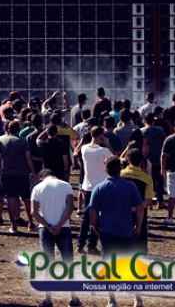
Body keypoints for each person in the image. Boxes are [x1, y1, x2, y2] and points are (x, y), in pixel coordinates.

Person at [88, 157, 144, 307]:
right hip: (126, 231)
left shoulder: (99, 188)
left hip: (107, 232)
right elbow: (140, 208)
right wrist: (138, 226)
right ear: (120, 169)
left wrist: (95, 226)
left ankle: (112, 299)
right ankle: (137, 298)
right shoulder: (130, 186)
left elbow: (92, 211)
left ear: (106, 169)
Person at [30, 168, 81, 307]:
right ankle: (74, 298)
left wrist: (48, 225)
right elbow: (70, 207)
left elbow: (34, 212)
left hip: (45, 229)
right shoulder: (66, 185)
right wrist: (59, 224)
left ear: (42, 177)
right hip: (64, 228)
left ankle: (48, 299)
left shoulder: (37, 188)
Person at [78, 126, 112, 252]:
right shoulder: (104, 151)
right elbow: (114, 160)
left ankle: (80, 244)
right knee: (98, 217)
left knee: (86, 217)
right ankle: (92, 245)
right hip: (101, 187)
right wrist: (107, 144)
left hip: (87, 186)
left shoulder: (84, 148)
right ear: (101, 136)